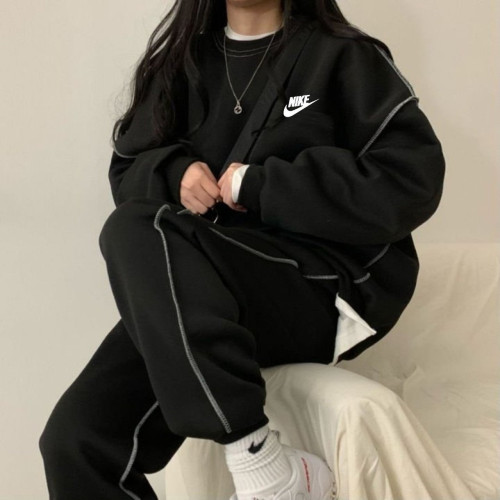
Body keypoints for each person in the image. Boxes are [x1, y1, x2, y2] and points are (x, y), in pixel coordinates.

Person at [38, 0, 446, 499]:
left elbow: (410, 180)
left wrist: (260, 184)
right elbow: (128, 171)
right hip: (207, 290)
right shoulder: (180, 64)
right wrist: (173, 173)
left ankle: (263, 466)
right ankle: (273, 470)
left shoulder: (343, 55)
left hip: (323, 287)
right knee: (76, 441)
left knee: (139, 227)